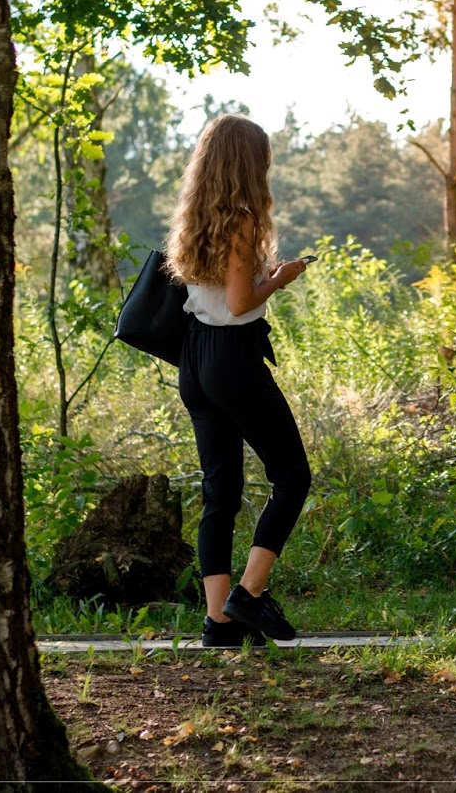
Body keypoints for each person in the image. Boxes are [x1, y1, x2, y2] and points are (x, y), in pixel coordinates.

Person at [164, 114, 313, 648]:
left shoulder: (193, 217)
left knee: (219, 492)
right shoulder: (243, 220)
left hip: (194, 359)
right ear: (249, 164)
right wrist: (281, 277)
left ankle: (218, 625)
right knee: (292, 475)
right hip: (232, 358)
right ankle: (248, 594)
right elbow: (240, 302)